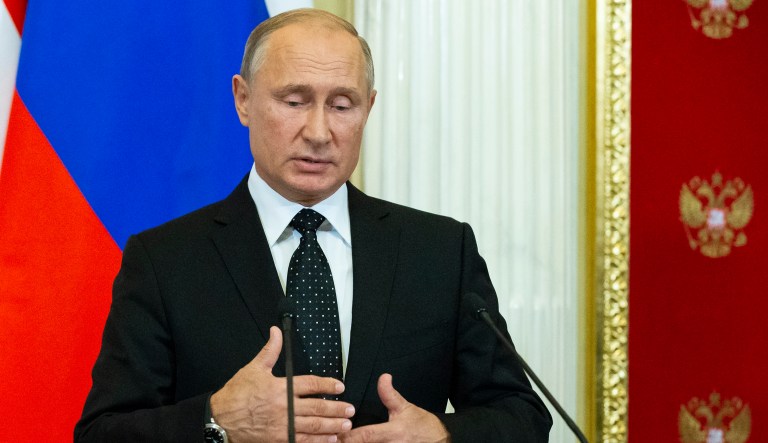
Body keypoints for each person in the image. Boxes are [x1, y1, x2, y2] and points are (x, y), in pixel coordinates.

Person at [74, 8, 551, 443]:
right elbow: (101, 434)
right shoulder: (165, 260)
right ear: (243, 99)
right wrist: (216, 421)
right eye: (295, 101)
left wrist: (442, 435)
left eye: (342, 105)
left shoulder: (440, 251)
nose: (319, 132)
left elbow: (522, 416)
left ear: (368, 108)